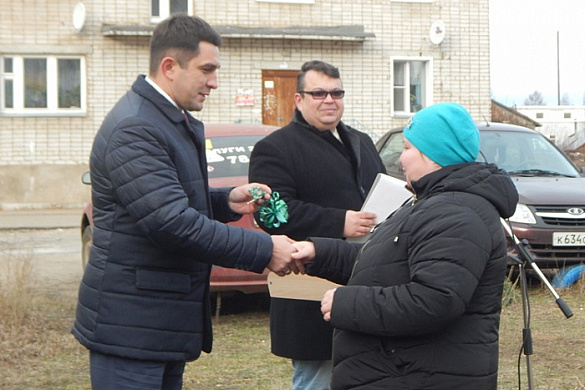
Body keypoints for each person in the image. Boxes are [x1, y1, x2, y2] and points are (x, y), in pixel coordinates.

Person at [71, 15, 298, 390]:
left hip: (157, 322)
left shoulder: (167, 119)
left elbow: (169, 200)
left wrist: (227, 202)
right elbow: (170, 223)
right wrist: (264, 249)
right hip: (132, 329)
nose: (214, 82)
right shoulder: (136, 127)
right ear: (169, 67)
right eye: (206, 69)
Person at [291, 102, 519, 389]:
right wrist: (320, 253)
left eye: (408, 148)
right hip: (403, 371)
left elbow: (434, 300)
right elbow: (387, 262)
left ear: (435, 154)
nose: (401, 159)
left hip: (418, 375)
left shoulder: (457, 214)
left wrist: (346, 303)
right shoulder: (432, 204)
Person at [249, 60, 386, 389]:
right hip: (309, 290)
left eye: (336, 92)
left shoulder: (362, 141)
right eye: (319, 93)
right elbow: (273, 216)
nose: (330, 100)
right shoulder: (275, 148)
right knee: (318, 379)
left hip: (367, 283)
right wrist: (341, 222)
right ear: (298, 99)